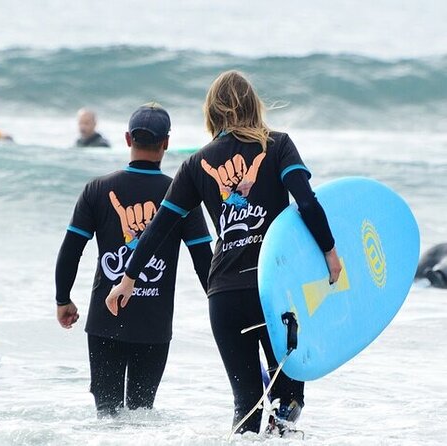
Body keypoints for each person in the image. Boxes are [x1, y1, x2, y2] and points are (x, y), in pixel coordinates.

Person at [103, 71, 342, 435]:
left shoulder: (196, 163)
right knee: (288, 397)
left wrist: (128, 279)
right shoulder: (277, 145)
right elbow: (307, 202)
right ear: (253, 105)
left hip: (224, 295)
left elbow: (157, 228)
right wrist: (330, 252)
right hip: (270, 291)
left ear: (211, 112)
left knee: (246, 404)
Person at [55, 103, 213, 416]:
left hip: (105, 320)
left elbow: (72, 248)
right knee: (142, 415)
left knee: (107, 416)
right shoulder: (180, 194)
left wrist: (63, 299)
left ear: (128, 139)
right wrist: (221, 306)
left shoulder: (97, 190)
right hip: (153, 325)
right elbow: (203, 262)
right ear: (166, 143)